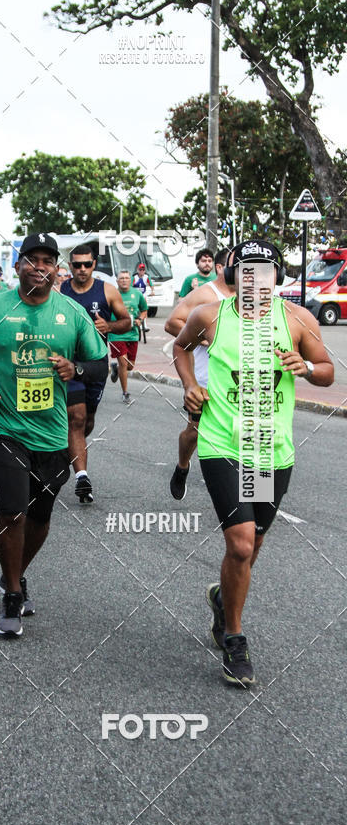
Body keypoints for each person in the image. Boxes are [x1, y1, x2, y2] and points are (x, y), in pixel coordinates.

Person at [173, 240, 334, 687]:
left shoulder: (297, 320)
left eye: (264, 272)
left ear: (275, 278)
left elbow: (327, 371)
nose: (255, 280)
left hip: (267, 446)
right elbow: (181, 348)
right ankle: (235, 638)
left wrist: (304, 367)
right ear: (232, 275)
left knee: (253, 543)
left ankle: (223, 600)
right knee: (241, 544)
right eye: (246, 271)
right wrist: (189, 384)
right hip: (223, 442)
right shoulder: (210, 316)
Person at [0, 233, 107, 636]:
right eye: (31, 260)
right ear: (17, 265)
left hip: (53, 433)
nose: (39, 267)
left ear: (56, 269)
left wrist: (76, 370)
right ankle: (13, 594)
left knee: (40, 516)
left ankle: (14, 574)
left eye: (47, 261)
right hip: (5, 427)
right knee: (13, 510)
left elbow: (99, 363)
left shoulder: (72, 313)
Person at [60, 243, 131, 503]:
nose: (81, 269)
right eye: (76, 264)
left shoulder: (107, 291)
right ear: (70, 266)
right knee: (76, 418)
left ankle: (69, 448)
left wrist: (109, 324)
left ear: (94, 265)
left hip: (97, 364)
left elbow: (127, 321)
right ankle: (82, 478)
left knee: (87, 421)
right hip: (69, 363)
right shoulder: (61, 290)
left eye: (86, 264)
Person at [165, 248, 232, 499]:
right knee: (194, 432)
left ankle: (255, 502)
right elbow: (172, 323)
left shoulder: (255, 296)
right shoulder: (206, 294)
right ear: (221, 267)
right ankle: (182, 466)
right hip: (207, 379)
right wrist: (200, 336)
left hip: (246, 383)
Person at [109, 270, 148, 404]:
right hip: (116, 334)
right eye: (121, 278)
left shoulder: (137, 294)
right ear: (117, 281)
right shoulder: (112, 294)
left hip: (132, 334)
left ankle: (115, 368)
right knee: (123, 363)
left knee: (130, 366)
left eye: (126, 278)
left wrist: (140, 320)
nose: (124, 280)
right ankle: (125, 392)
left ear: (131, 280)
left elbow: (144, 310)